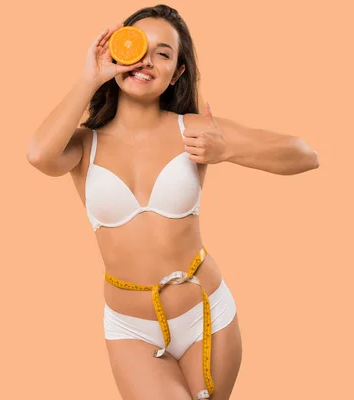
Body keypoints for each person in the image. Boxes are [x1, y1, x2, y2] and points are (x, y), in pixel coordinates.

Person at [26, 4, 319, 400]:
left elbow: (305, 155)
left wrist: (226, 149)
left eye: (163, 53)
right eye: (136, 47)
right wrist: (90, 77)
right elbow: (39, 155)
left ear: (177, 72)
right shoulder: (82, 144)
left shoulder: (194, 130)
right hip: (131, 328)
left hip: (206, 313)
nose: (146, 60)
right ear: (117, 52)